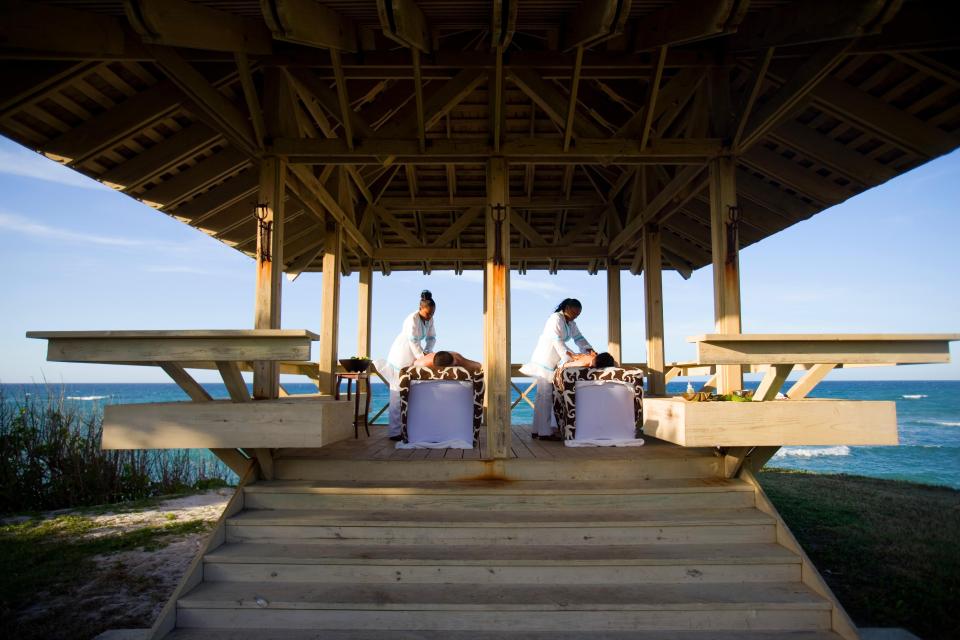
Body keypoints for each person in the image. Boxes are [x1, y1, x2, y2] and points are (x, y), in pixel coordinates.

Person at [519, 298, 596, 440]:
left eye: (577, 315)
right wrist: (571, 358)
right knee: (545, 395)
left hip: (553, 359)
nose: (575, 316)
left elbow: (579, 338)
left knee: (542, 395)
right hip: (544, 358)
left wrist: (589, 349)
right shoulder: (555, 319)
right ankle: (544, 432)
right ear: (566, 308)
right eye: (574, 313)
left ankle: (538, 430)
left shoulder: (571, 323)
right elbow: (557, 341)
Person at [379, 290, 437, 440]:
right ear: (420, 309)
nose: (429, 317)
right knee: (397, 393)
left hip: (414, 355)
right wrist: (421, 358)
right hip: (401, 354)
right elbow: (413, 341)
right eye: (427, 314)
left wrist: (428, 351)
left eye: (432, 314)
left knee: (411, 394)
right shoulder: (412, 319)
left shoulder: (430, 320)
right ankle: (394, 432)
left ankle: (410, 429)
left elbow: (431, 338)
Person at [413, 350, 482, 373]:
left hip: (451, 355)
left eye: (455, 365)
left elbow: (478, 365)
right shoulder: (423, 363)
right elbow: (414, 363)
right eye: (454, 365)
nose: (456, 365)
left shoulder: (457, 359)